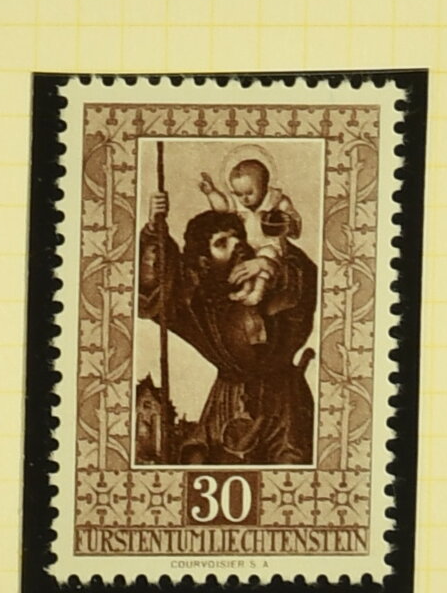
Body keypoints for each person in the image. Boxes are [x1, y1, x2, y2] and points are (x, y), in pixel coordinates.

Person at [136, 161, 318, 467]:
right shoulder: (198, 302)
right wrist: (155, 229)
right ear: (204, 262)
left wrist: (271, 267)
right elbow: (156, 293)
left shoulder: (273, 284)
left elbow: (303, 281)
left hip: (283, 404)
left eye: (238, 238)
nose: (238, 246)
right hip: (226, 405)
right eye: (222, 244)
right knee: (200, 461)